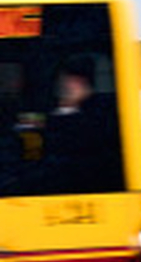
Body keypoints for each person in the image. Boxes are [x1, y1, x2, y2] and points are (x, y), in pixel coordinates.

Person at [41, 55, 121, 195]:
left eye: (79, 81)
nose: (70, 85)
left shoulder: (101, 121)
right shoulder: (45, 119)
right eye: (68, 79)